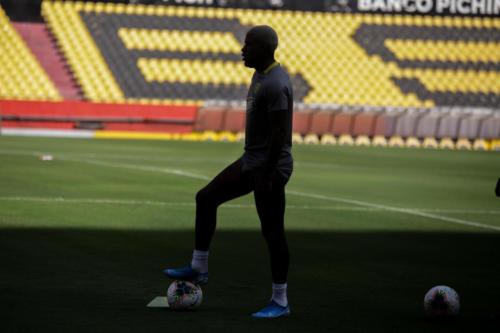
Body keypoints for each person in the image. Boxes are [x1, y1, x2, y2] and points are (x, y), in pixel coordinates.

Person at [164, 25, 294, 319]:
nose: (242, 50)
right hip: (252, 160)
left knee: (273, 233)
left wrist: (268, 173)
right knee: (206, 198)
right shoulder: (260, 74)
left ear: (263, 48)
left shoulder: (275, 83)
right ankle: (199, 266)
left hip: (269, 168)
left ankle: (281, 301)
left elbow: (280, 133)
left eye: (248, 45)